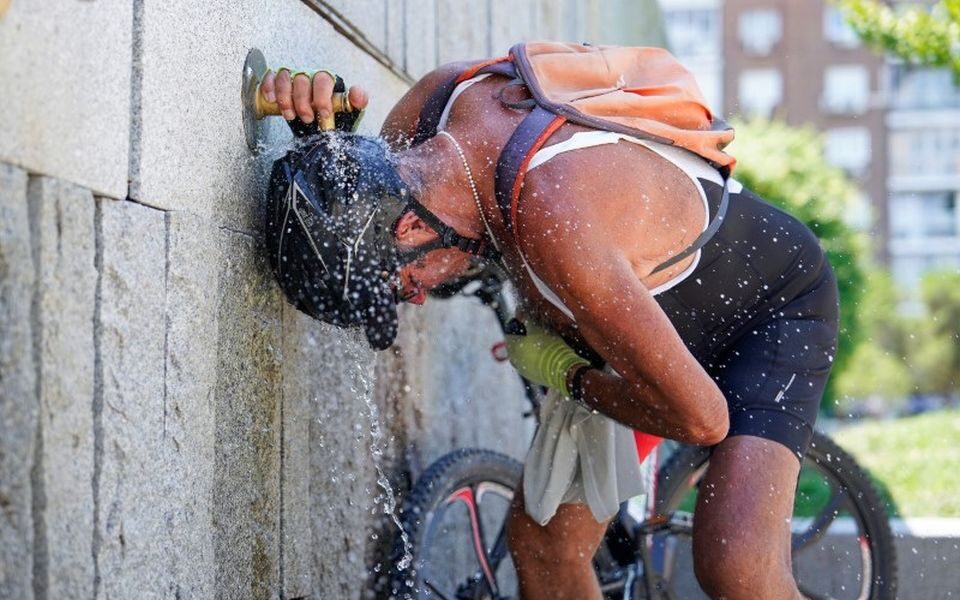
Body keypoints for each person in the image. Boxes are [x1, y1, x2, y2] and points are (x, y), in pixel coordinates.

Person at [260, 44, 838, 600]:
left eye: (404, 284)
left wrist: (566, 373)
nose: (414, 300)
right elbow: (367, 190)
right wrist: (325, 144)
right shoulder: (434, 108)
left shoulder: (556, 219)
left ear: (409, 231)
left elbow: (702, 419)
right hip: (625, 326)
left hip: (767, 307)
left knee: (737, 571)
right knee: (543, 546)